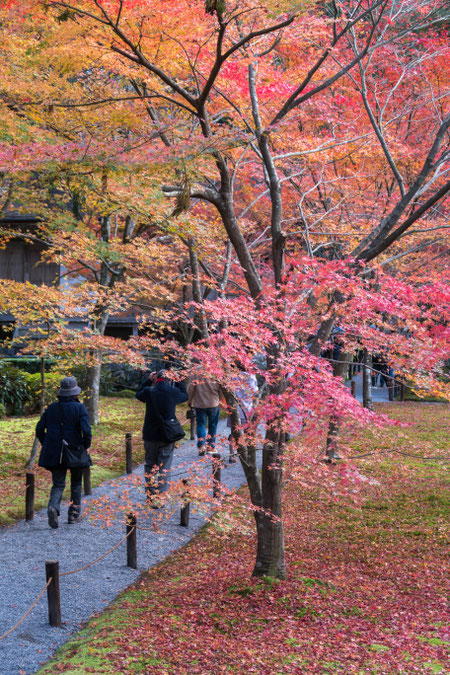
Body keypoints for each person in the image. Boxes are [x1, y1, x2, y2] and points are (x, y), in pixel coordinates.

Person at [36, 376, 92, 529]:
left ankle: (53, 507)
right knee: (75, 483)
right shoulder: (80, 408)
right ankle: (73, 514)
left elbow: (39, 429)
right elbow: (86, 431)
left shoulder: (52, 408)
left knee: (58, 483)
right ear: (75, 393)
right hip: (75, 450)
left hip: (55, 451)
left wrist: (48, 443)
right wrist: (87, 445)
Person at [135, 369, 188, 503]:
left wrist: (148, 380)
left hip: (150, 434)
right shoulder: (173, 392)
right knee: (164, 468)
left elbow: (138, 394)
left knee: (150, 465)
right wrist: (178, 381)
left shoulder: (149, 391)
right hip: (167, 435)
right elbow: (185, 395)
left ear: (156, 378)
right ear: (170, 380)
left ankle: (150, 495)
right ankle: (161, 498)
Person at [188, 377, 222, 456]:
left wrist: (189, 400)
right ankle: (210, 447)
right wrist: (219, 399)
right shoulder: (216, 370)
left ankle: (201, 446)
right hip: (214, 403)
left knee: (201, 425)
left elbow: (191, 388)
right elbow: (221, 389)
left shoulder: (196, 372)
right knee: (213, 426)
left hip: (200, 403)